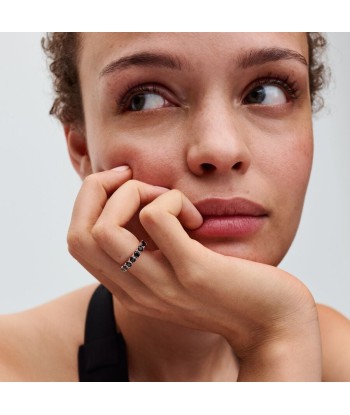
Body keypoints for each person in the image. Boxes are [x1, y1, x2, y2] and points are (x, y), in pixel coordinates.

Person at [0, 32, 349, 382]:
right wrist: (273, 341)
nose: (220, 150)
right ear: (82, 149)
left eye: (265, 92)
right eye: (146, 99)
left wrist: (280, 335)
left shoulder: (333, 355)